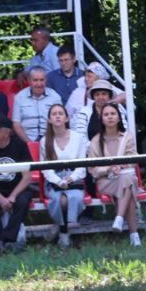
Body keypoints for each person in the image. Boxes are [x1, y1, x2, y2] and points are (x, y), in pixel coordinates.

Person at [0, 118, 35, 252]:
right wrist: (1, 199)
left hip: (17, 188)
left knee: (22, 201)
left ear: (6, 132)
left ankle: (5, 239)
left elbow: (27, 177)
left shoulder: (20, 146)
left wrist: (13, 196)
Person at [89, 102, 142, 247]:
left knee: (127, 179)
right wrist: (109, 169)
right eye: (106, 114)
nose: (110, 117)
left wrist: (122, 165)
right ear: (102, 119)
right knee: (129, 185)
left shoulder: (127, 137)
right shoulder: (95, 141)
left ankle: (120, 219)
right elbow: (92, 169)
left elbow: (133, 159)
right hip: (106, 181)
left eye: (113, 114)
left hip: (125, 176)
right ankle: (134, 234)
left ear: (119, 118)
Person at [41, 103, 87, 248]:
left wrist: (71, 178)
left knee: (73, 197)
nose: (57, 116)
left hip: (75, 178)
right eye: (54, 114)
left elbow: (82, 164)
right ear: (49, 120)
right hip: (54, 179)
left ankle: (60, 228)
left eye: (60, 113)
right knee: (59, 199)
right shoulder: (45, 141)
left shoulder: (78, 138)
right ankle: (64, 233)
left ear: (66, 118)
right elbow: (45, 169)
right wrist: (58, 181)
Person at [12, 67, 61, 142]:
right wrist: (29, 143)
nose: (39, 84)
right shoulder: (20, 97)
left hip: (50, 140)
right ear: (29, 81)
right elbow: (16, 124)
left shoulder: (55, 97)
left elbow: (60, 121)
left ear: (46, 80)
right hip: (26, 140)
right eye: (35, 80)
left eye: (42, 80)